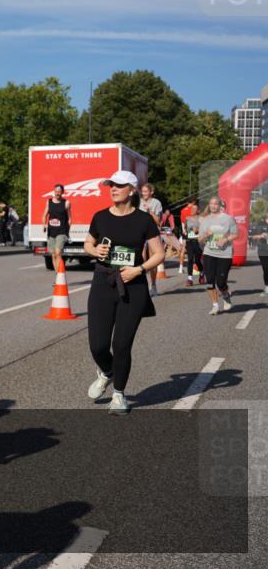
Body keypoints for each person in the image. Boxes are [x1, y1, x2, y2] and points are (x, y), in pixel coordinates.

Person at [83, 170, 163, 416]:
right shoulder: (100, 217)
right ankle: (107, 372)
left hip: (133, 286)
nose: (113, 189)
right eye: (111, 185)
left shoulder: (144, 220)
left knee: (121, 345)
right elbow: (88, 243)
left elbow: (159, 253)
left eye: (118, 185)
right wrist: (95, 251)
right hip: (103, 283)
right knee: (98, 346)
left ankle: (119, 394)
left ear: (132, 190)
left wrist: (139, 269)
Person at [198, 195, 239, 315]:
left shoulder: (228, 219)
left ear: (220, 205)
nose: (213, 206)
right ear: (209, 205)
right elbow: (199, 239)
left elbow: (235, 234)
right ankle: (215, 305)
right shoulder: (205, 220)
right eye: (211, 204)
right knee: (210, 281)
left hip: (224, 254)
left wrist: (226, 239)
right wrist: (206, 234)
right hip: (209, 253)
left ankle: (226, 296)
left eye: (216, 204)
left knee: (221, 282)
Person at [138, 183, 163, 297]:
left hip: (152, 232)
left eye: (145, 191)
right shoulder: (138, 202)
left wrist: (150, 212)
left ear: (151, 192)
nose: (143, 193)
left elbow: (158, 221)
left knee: (153, 261)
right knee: (141, 258)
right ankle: (141, 285)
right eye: (142, 191)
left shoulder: (156, 203)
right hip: (140, 232)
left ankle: (153, 285)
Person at [42, 184, 71, 271]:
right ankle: (57, 273)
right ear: (54, 191)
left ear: (62, 192)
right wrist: (44, 224)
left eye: (59, 192)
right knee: (53, 254)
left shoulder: (66, 203)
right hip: (51, 232)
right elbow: (44, 215)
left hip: (61, 231)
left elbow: (69, 218)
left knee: (58, 252)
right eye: (56, 191)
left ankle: (60, 272)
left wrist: (67, 231)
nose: (57, 193)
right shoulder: (49, 202)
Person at [182, 200, 203, 286]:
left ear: (198, 211)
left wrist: (198, 230)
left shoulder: (201, 219)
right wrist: (185, 232)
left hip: (198, 242)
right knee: (190, 259)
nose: (192, 210)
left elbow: (205, 230)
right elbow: (185, 228)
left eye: (194, 209)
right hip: (189, 241)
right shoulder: (187, 218)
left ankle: (202, 274)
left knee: (197, 260)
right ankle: (189, 279)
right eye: (192, 209)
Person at [251, 211, 268, 296]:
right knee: (266, 269)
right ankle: (267, 287)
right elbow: (253, 236)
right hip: (263, 250)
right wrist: (261, 236)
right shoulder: (260, 224)